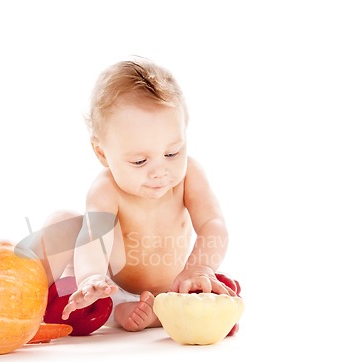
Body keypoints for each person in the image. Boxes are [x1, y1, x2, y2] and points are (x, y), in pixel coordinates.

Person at [37, 57, 236, 332]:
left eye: (172, 153)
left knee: (216, 296)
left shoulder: (190, 176)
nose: (159, 172)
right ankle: (37, 297)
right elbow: (94, 239)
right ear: (103, 154)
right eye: (140, 162)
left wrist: (200, 267)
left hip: (176, 287)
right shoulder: (106, 190)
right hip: (111, 288)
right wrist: (91, 277)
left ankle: (157, 311)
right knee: (63, 222)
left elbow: (213, 224)